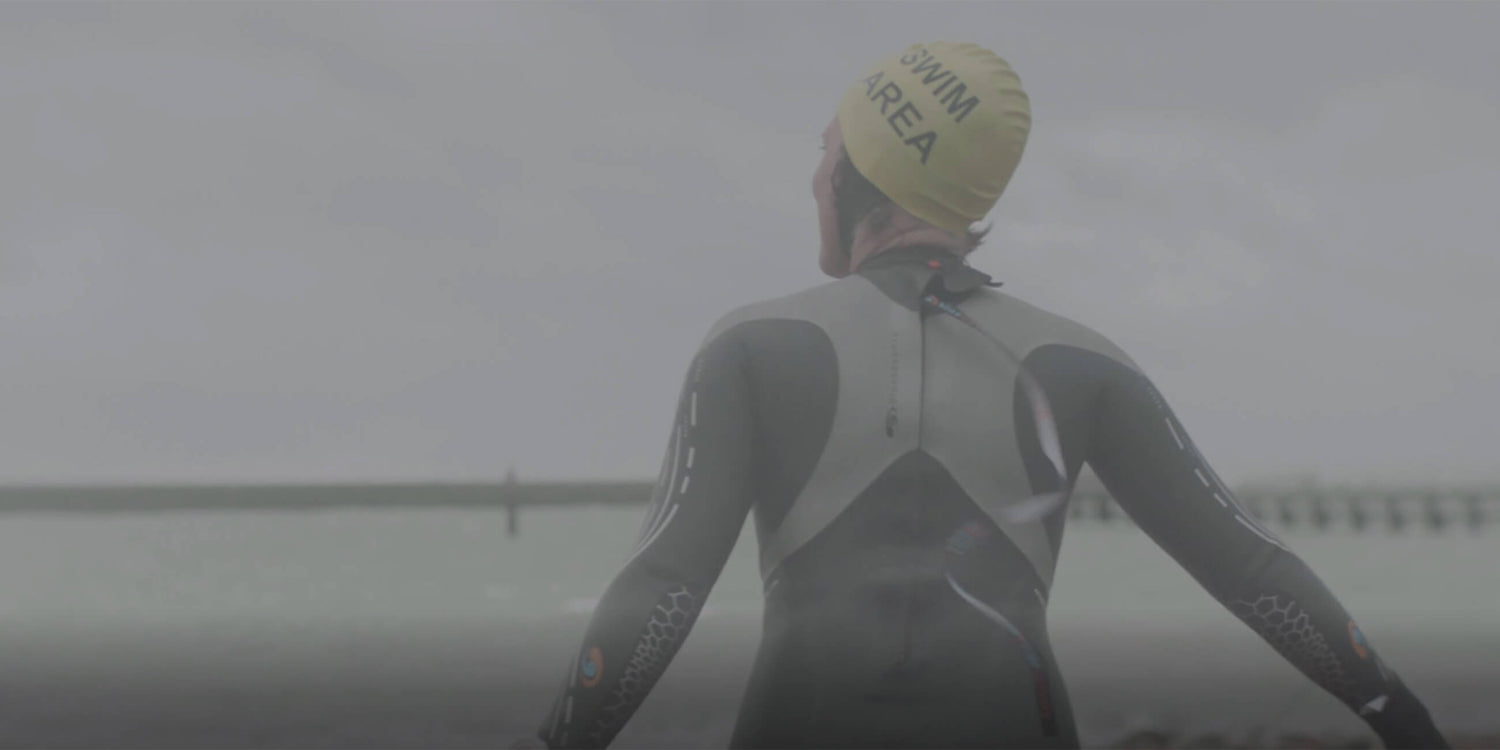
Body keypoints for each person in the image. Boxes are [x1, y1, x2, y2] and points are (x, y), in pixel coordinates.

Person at [531, 42, 1450, 749]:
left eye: (823, 149)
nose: (813, 174)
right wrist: (1411, 730)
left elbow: (662, 585)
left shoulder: (753, 347)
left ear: (854, 172)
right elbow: (1254, 571)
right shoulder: (1084, 361)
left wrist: (565, 739)